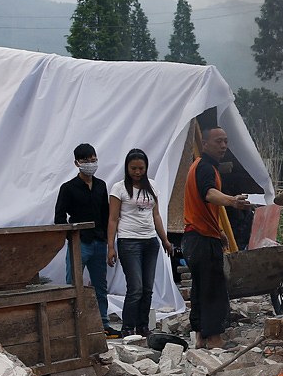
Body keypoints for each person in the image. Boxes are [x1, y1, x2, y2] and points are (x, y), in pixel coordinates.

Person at [183, 107, 251, 349]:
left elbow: (203, 204)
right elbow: (208, 194)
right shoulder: (204, 168)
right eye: (218, 141)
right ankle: (214, 338)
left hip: (197, 236)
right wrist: (232, 200)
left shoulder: (199, 166)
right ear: (204, 143)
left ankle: (200, 336)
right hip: (201, 238)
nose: (223, 146)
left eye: (225, 141)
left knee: (201, 288)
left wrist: (219, 231)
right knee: (213, 289)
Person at [107, 148, 173, 336]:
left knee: (147, 288)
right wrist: (111, 246)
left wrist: (165, 240)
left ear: (146, 168)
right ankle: (128, 328)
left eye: (141, 168)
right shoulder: (119, 188)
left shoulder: (152, 186)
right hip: (129, 242)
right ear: (127, 168)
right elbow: (113, 219)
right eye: (133, 168)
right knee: (135, 287)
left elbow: (156, 215)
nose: (137, 172)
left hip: (150, 241)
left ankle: (143, 326)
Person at [54, 143, 115, 337]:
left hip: (99, 242)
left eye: (93, 160)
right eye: (86, 160)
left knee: (100, 285)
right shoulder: (68, 188)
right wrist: (71, 236)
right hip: (79, 242)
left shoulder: (101, 185)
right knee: (73, 284)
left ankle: (103, 323)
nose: (90, 164)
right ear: (77, 163)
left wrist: (108, 241)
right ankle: (73, 324)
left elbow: (106, 215)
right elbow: (59, 218)